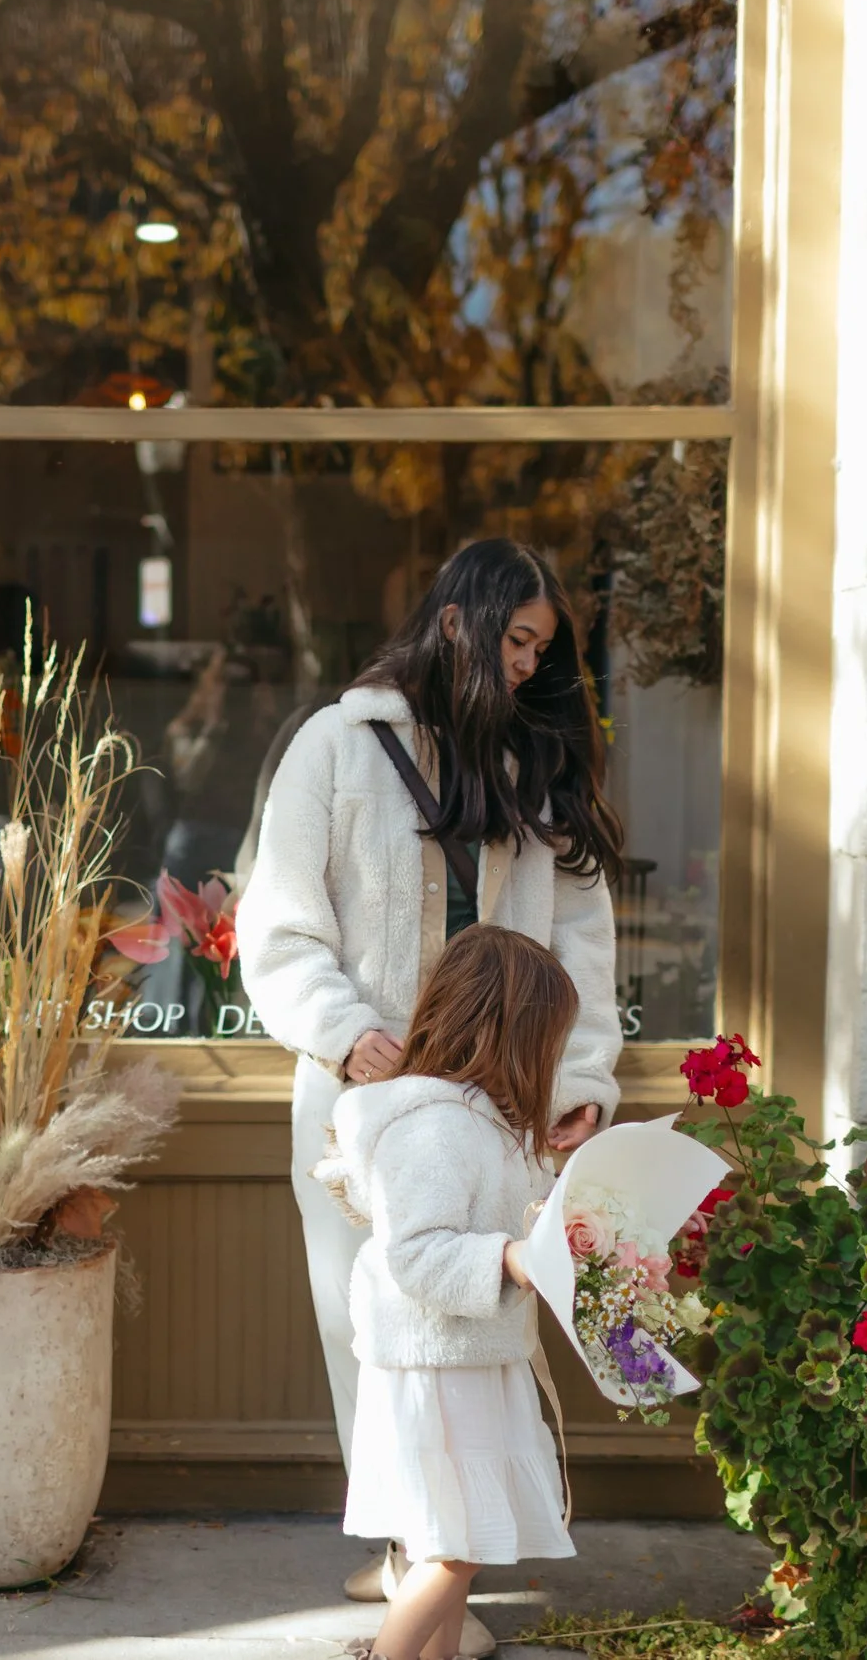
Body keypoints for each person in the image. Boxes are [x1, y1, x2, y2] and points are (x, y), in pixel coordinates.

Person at [234, 537, 624, 1632]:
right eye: (513, 637)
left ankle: (431, 1565)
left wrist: (578, 1075)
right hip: (363, 1105)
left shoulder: (527, 761)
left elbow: (583, 946)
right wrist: (341, 1027)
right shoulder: (335, 746)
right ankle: (418, 1562)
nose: (523, 664)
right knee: (372, 1333)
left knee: (472, 1329)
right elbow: (278, 919)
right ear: (456, 621)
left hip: (497, 1110)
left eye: (540, 648)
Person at [333, 924, 579, 1660]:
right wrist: (508, 1256)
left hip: (469, 1356)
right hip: (437, 1366)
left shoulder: (475, 1120)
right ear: (509, 1034)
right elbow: (416, 1252)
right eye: (547, 1041)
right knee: (453, 1547)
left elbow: (490, 1215)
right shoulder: (434, 1125)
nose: (552, 1061)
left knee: (455, 1545)